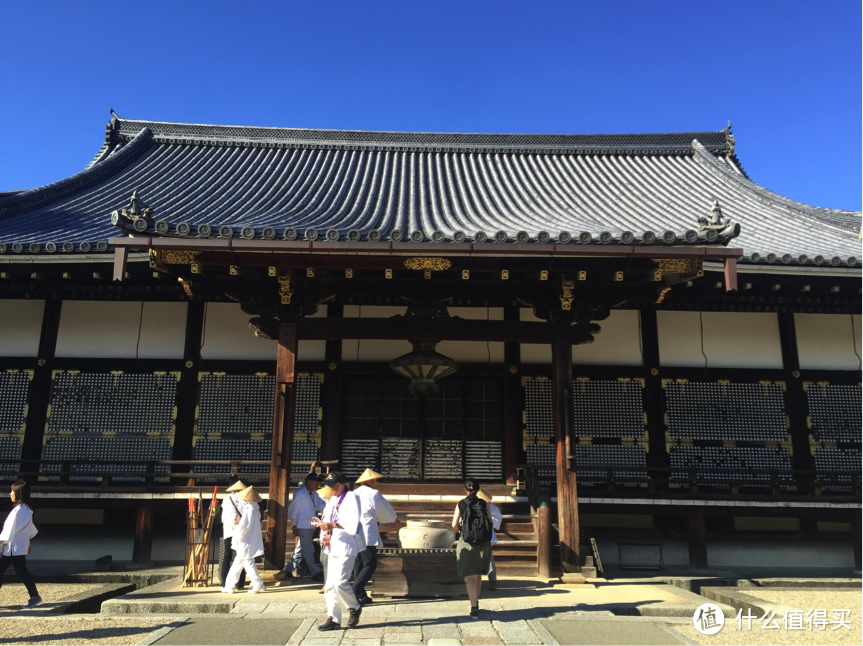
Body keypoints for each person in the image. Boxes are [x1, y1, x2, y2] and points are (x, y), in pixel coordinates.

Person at [315, 471, 364, 631]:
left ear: (339, 485)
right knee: (329, 585)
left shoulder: (351, 498)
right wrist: (323, 526)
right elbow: (328, 519)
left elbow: (352, 523)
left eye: (331, 486)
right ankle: (334, 618)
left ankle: (354, 607)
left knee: (340, 582)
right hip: (333, 545)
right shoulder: (333, 498)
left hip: (346, 545)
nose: (328, 489)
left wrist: (332, 525)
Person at [352, 468, 400, 605]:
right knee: (370, 563)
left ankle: (360, 595)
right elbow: (384, 509)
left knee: (359, 563)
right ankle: (356, 588)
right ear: (371, 480)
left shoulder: (353, 493)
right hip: (367, 531)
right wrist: (395, 520)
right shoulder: (373, 493)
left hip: (354, 531)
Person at [452, 478, 493, 619]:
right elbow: (491, 522)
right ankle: (476, 602)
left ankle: (474, 607)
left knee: (470, 577)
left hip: (467, 542)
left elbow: (454, 524)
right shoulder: (484, 503)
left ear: (465, 489)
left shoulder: (461, 504)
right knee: (478, 574)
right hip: (483, 542)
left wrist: (460, 530)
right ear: (478, 489)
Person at [274, 473, 326, 582]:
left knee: (301, 549)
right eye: (315, 483)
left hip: (311, 525)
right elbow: (294, 511)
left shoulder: (314, 493)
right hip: (303, 525)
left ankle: (287, 571)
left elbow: (320, 505)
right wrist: (294, 525)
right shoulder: (300, 493)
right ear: (309, 482)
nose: (317, 485)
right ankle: (316, 572)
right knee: (308, 550)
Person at [0, 480, 41, 608]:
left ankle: (35, 597)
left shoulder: (21, 509)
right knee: (16, 570)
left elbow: (12, 529)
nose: (10, 494)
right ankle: (34, 596)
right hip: (14, 546)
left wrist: (2, 539)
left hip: (15, 546)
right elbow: (26, 529)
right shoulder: (23, 508)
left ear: (18, 492)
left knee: (21, 571)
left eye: (12, 491)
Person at [221, 486, 266, 594]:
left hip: (246, 542)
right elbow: (247, 525)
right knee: (237, 564)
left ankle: (258, 584)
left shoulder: (249, 511)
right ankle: (229, 586)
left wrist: (235, 527)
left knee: (248, 564)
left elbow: (244, 528)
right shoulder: (254, 510)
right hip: (248, 541)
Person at [219, 480, 247, 590]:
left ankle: (224, 581)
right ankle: (240, 583)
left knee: (227, 556)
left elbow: (223, 518)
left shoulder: (226, 500)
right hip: (239, 531)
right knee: (240, 556)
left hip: (228, 531)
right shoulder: (244, 500)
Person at [477, 490, 502, 592]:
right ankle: (481, 582)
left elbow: (498, 518)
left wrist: (487, 520)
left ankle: (491, 581)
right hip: (476, 536)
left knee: (487, 558)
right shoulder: (471, 506)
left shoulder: (491, 507)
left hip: (486, 536)